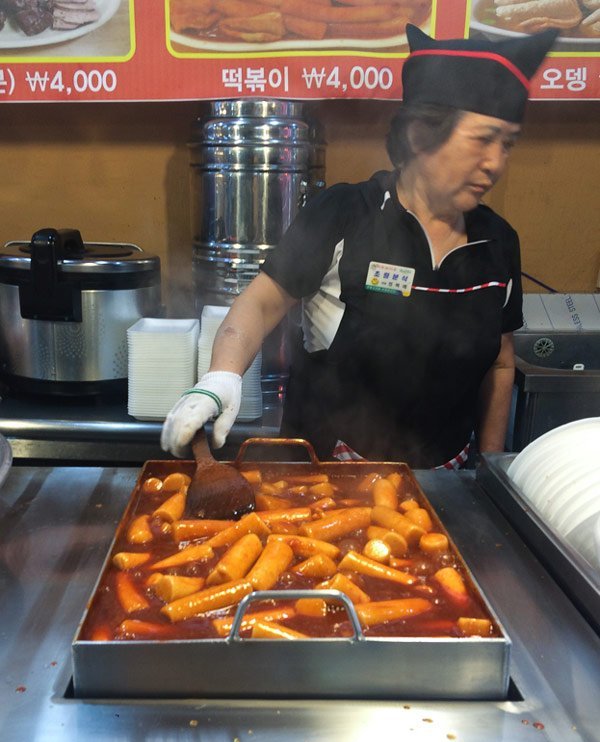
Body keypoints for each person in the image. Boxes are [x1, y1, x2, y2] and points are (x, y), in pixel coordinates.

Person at [161, 23, 558, 468]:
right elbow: (260, 305)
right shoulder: (345, 213)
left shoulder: (498, 242)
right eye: (483, 139)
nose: (496, 163)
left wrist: (491, 468)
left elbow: (501, 364)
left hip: (445, 482)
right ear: (420, 135)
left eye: (507, 144)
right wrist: (219, 380)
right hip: (324, 475)